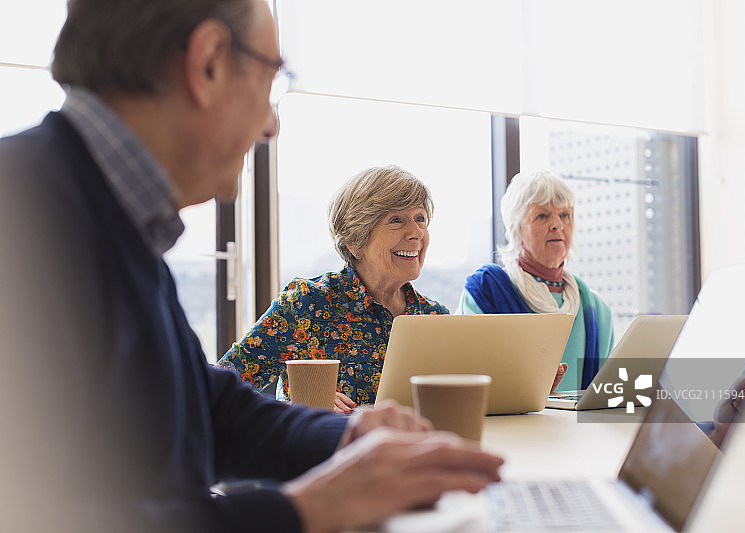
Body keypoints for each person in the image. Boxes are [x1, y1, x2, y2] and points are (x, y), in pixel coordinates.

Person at [0, 1, 503, 532]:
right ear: (209, 63)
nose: (271, 125)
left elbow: (205, 408)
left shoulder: (111, 219)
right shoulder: (22, 215)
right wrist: (308, 509)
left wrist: (350, 436)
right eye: (271, 80)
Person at [219, 165, 448, 413]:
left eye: (420, 218)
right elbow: (217, 391)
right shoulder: (305, 304)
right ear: (354, 241)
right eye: (396, 220)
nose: (416, 233)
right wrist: (295, 406)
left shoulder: (436, 317)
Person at [458, 170, 614, 392]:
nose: (557, 224)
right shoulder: (485, 293)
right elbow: (468, 383)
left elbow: (606, 395)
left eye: (565, 215)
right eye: (542, 216)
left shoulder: (597, 310)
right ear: (516, 229)